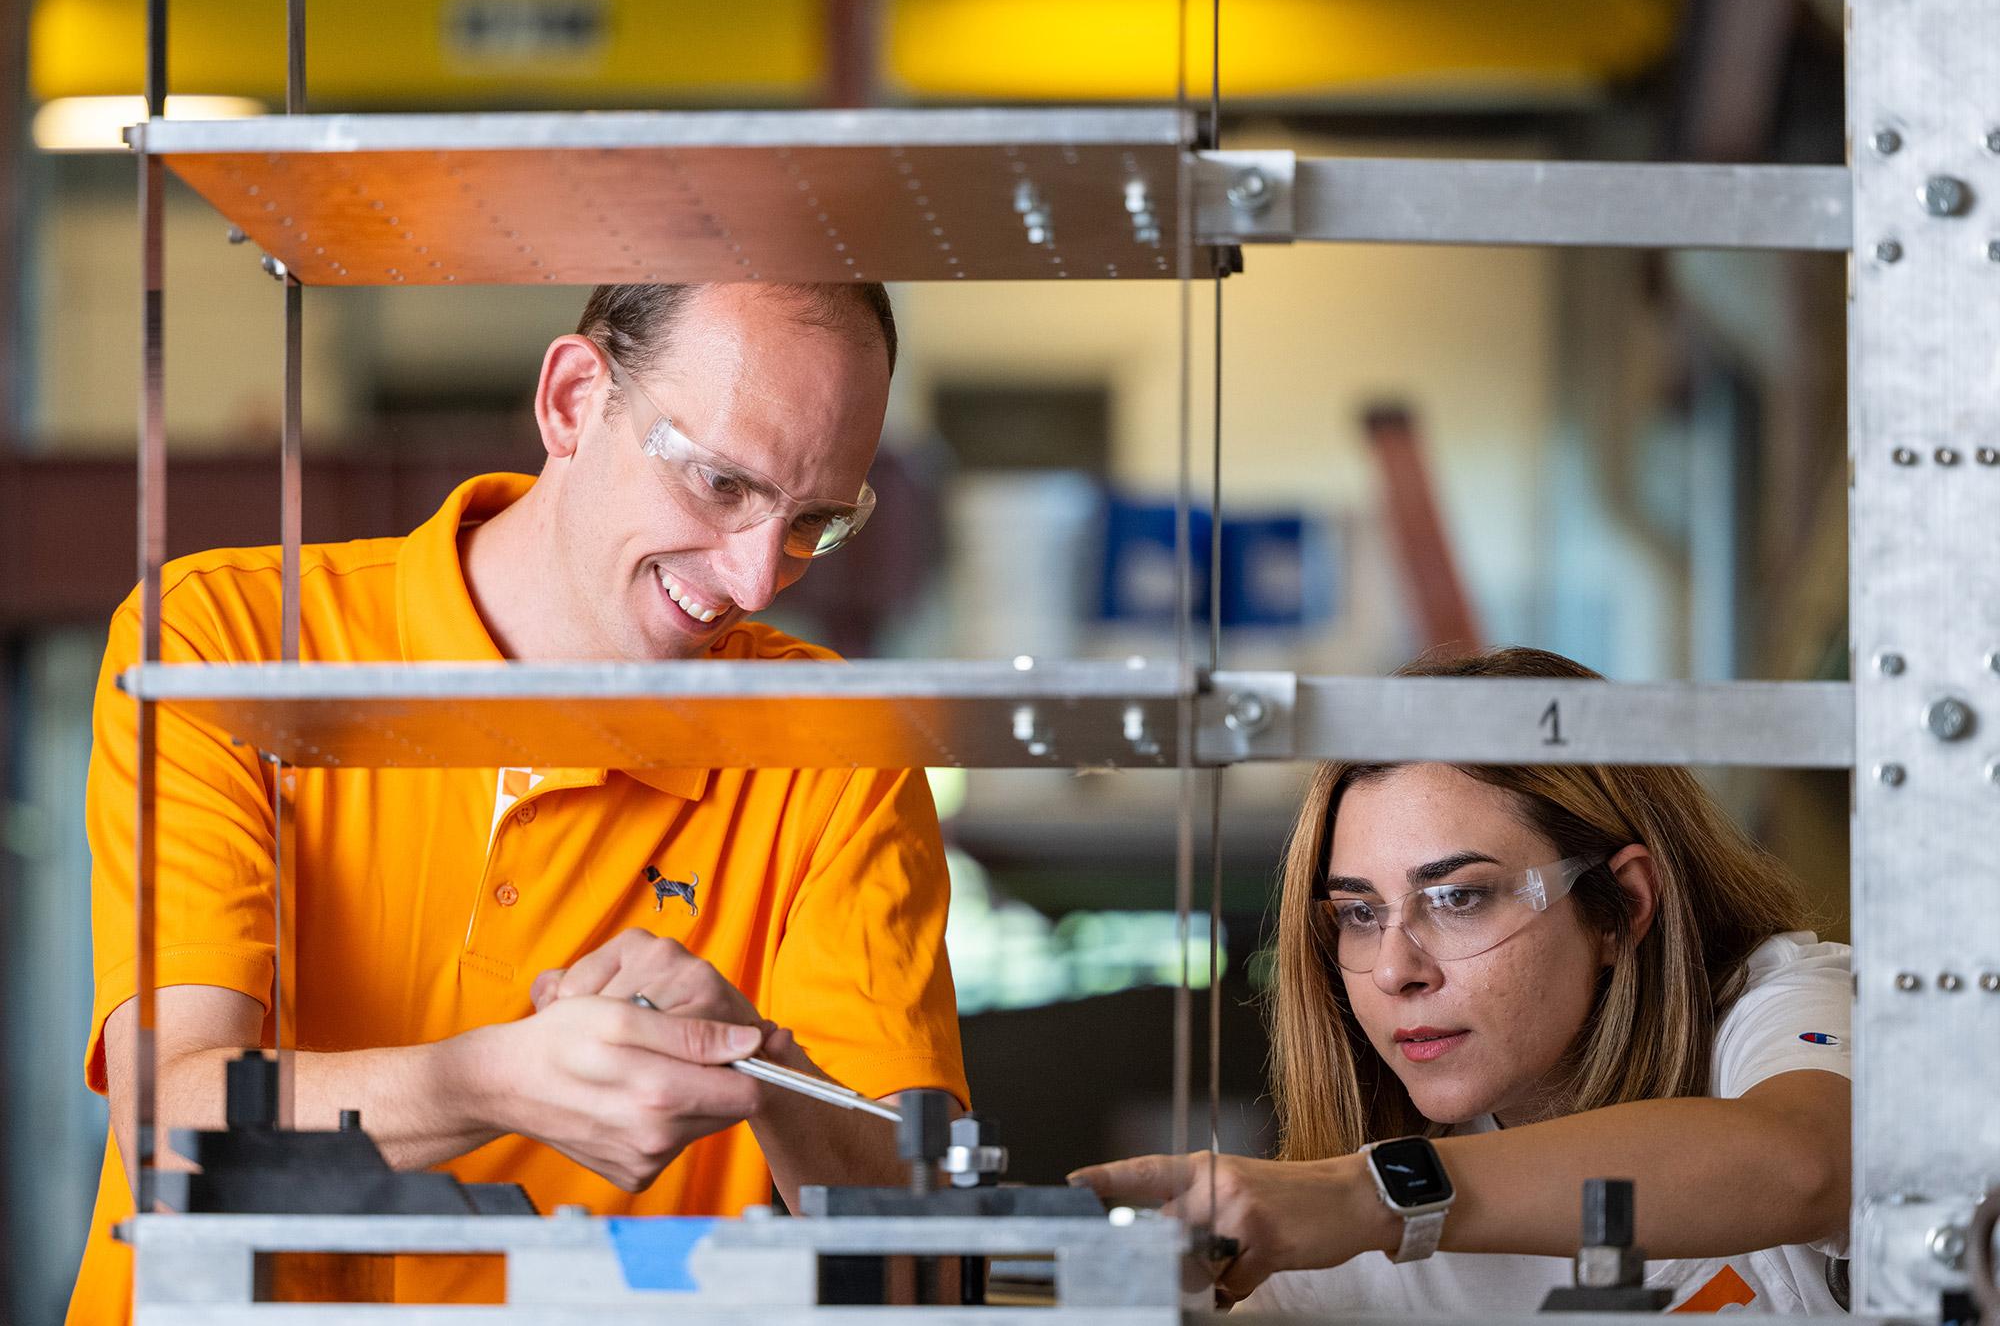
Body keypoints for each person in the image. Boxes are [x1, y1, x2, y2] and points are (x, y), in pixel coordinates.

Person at [71, 282, 966, 1317]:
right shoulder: (223, 647)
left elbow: (924, 1251)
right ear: (574, 399)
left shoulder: (833, 750)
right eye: (720, 484)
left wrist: (761, 1063)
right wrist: (487, 1083)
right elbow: (170, 1135)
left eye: (814, 520)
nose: (757, 577)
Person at [1072, 646, 1850, 1314]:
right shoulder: (1344, 1257)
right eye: (1358, 911)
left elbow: (1805, 1159)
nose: (1394, 969)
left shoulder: (1781, 1008)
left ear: (1622, 908)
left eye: (1459, 897)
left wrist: (1373, 1194)